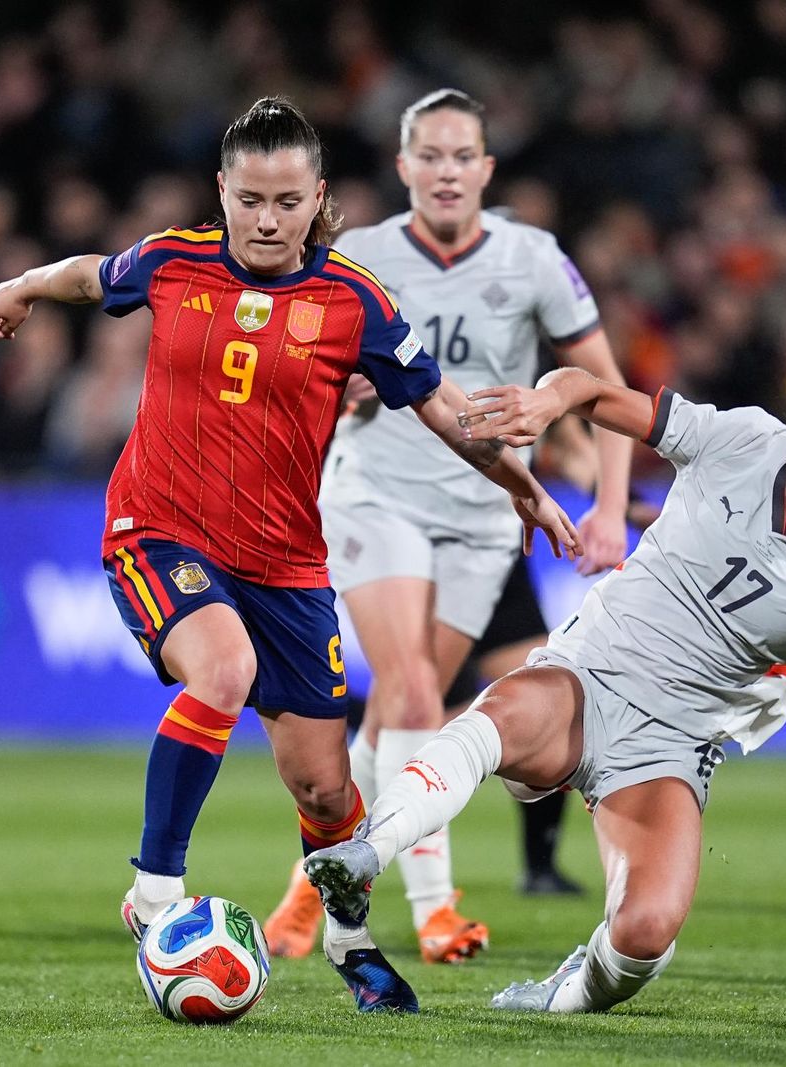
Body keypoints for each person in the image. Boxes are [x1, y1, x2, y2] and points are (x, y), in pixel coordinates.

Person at [0, 96, 578, 1014]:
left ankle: (351, 939)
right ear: (223, 190)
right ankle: (156, 891)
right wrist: (21, 285)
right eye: (249, 198)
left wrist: (520, 486)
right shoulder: (174, 260)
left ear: (317, 198)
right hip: (160, 528)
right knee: (221, 666)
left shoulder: (353, 300)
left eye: (286, 201)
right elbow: (90, 277)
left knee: (327, 789)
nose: (265, 219)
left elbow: (442, 404)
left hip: (288, 565)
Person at [303, 327, 786, 1015]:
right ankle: (366, 854)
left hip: (667, 745)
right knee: (501, 714)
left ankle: (564, 994)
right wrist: (546, 400)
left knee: (644, 931)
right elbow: (596, 391)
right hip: (591, 670)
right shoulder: (742, 439)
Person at [262, 88, 632, 964]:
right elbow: (288, 367)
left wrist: (610, 507)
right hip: (376, 494)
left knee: (399, 710)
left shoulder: (535, 258)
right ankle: (435, 909)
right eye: (429, 154)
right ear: (403, 167)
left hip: (482, 509)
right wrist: (337, 388)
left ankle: (307, 887)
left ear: (486, 169)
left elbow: (608, 387)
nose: (446, 171)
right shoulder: (357, 255)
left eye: (462, 155)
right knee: (419, 692)